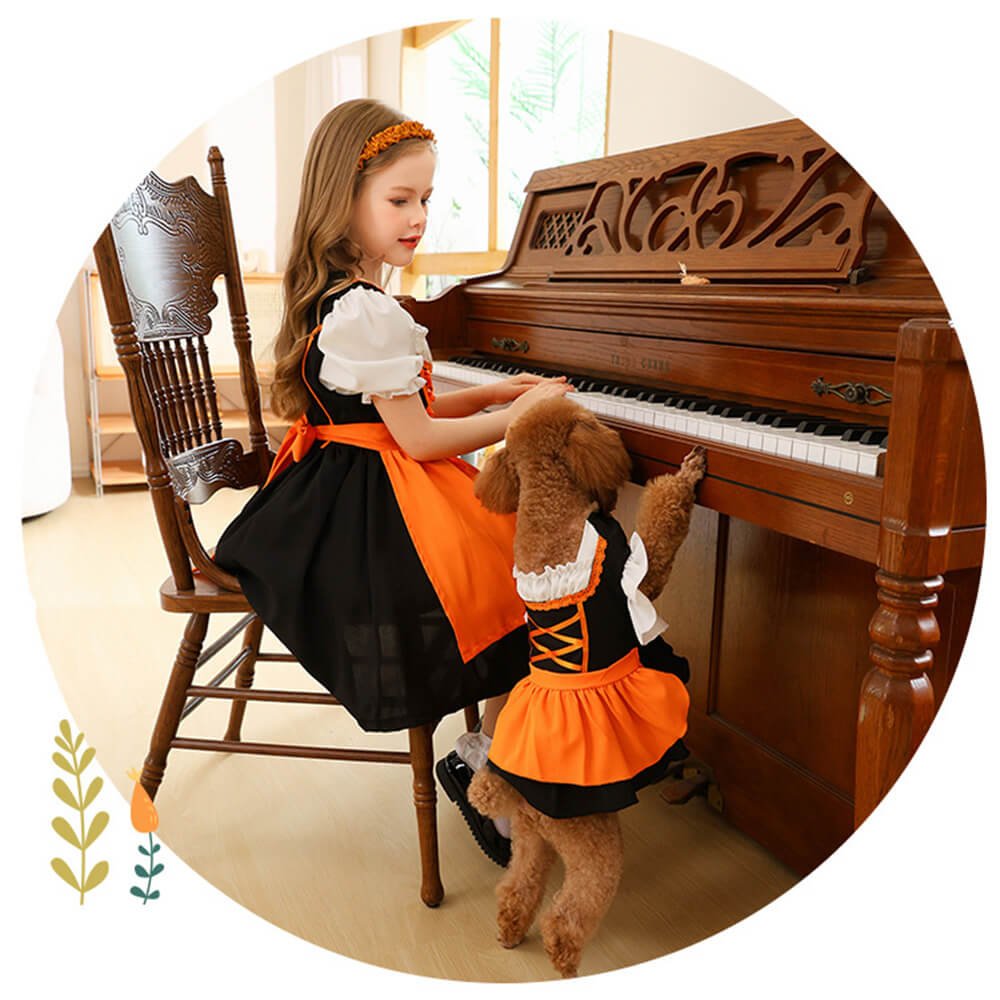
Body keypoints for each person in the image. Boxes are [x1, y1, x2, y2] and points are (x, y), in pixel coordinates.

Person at [214, 98, 572, 865]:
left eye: (427, 200)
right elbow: (417, 437)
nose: (418, 217)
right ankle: (492, 766)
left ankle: (504, 757)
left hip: (343, 492)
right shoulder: (367, 312)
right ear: (342, 202)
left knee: (531, 563)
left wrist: (495, 394)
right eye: (399, 200)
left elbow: (399, 409)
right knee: (541, 578)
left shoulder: (342, 299)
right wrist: (525, 418)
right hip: (372, 519)